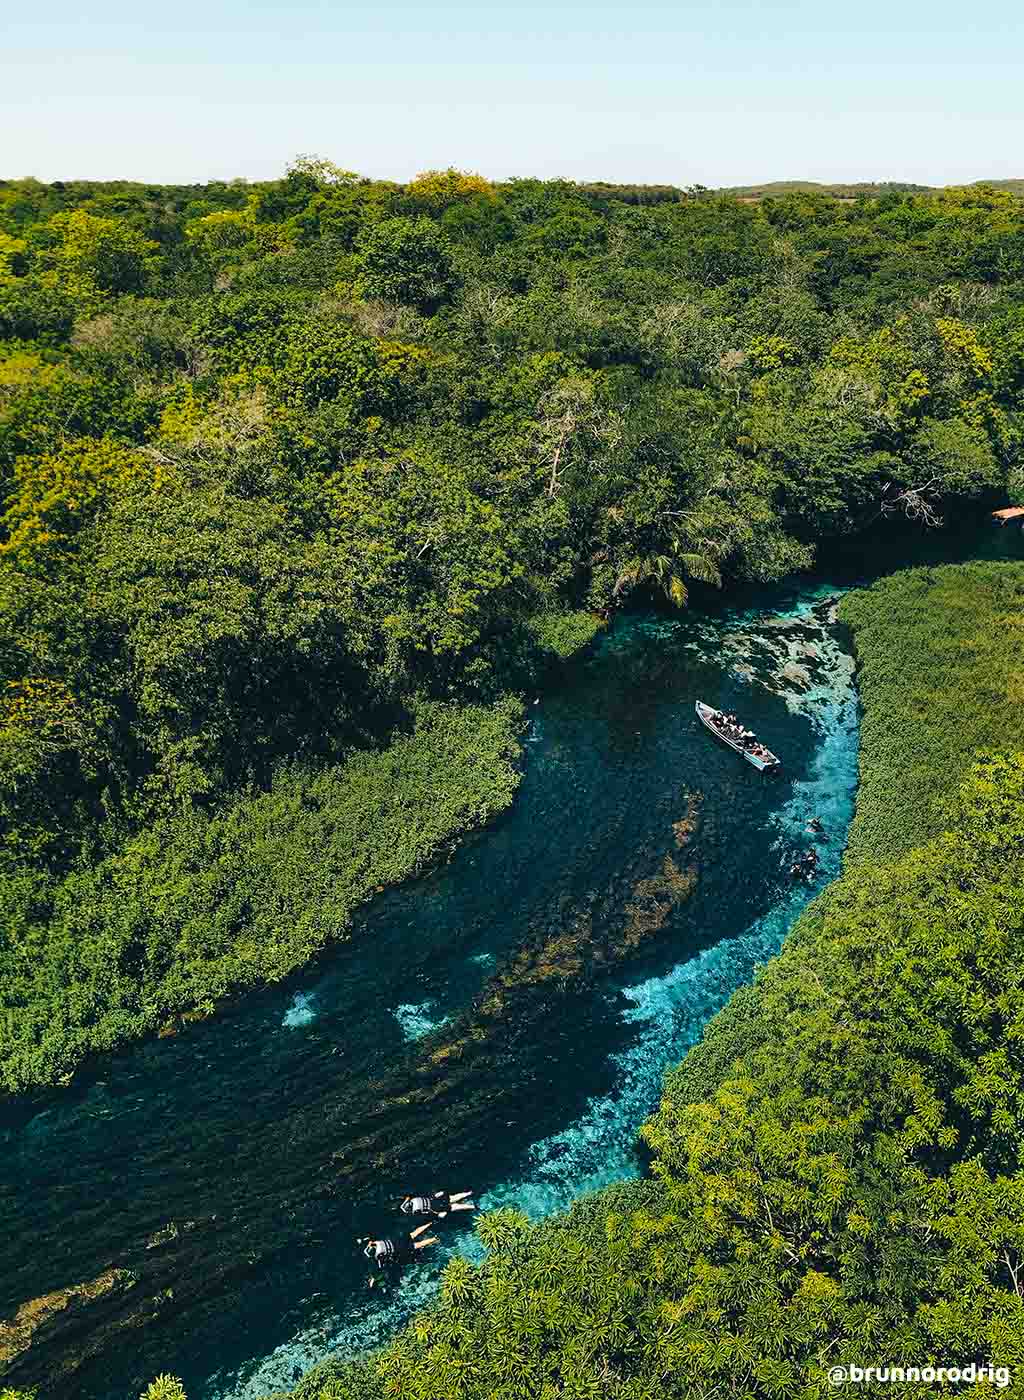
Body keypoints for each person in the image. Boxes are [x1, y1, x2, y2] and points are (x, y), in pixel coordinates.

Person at [359, 1223, 439, 1285]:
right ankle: (430, 1224)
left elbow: (380, 1267)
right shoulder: (375, 1244)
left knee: (416, 1245)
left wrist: (373, 1279)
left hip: (399, 1248)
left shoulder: (378, 1257)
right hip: (396, 1240)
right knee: (413, 1234)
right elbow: (370, 1242)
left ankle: (435, 1238)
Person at [400, 1190, 476, 1219]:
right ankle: (469, 1193)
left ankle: (473, 1206)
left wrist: (438, 1215)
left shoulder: (415, 1211)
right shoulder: (414, 1199)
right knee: (455, 1197)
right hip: (437, 1199)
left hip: (438, 1207)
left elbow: (428, 1213)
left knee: (455, 1207)